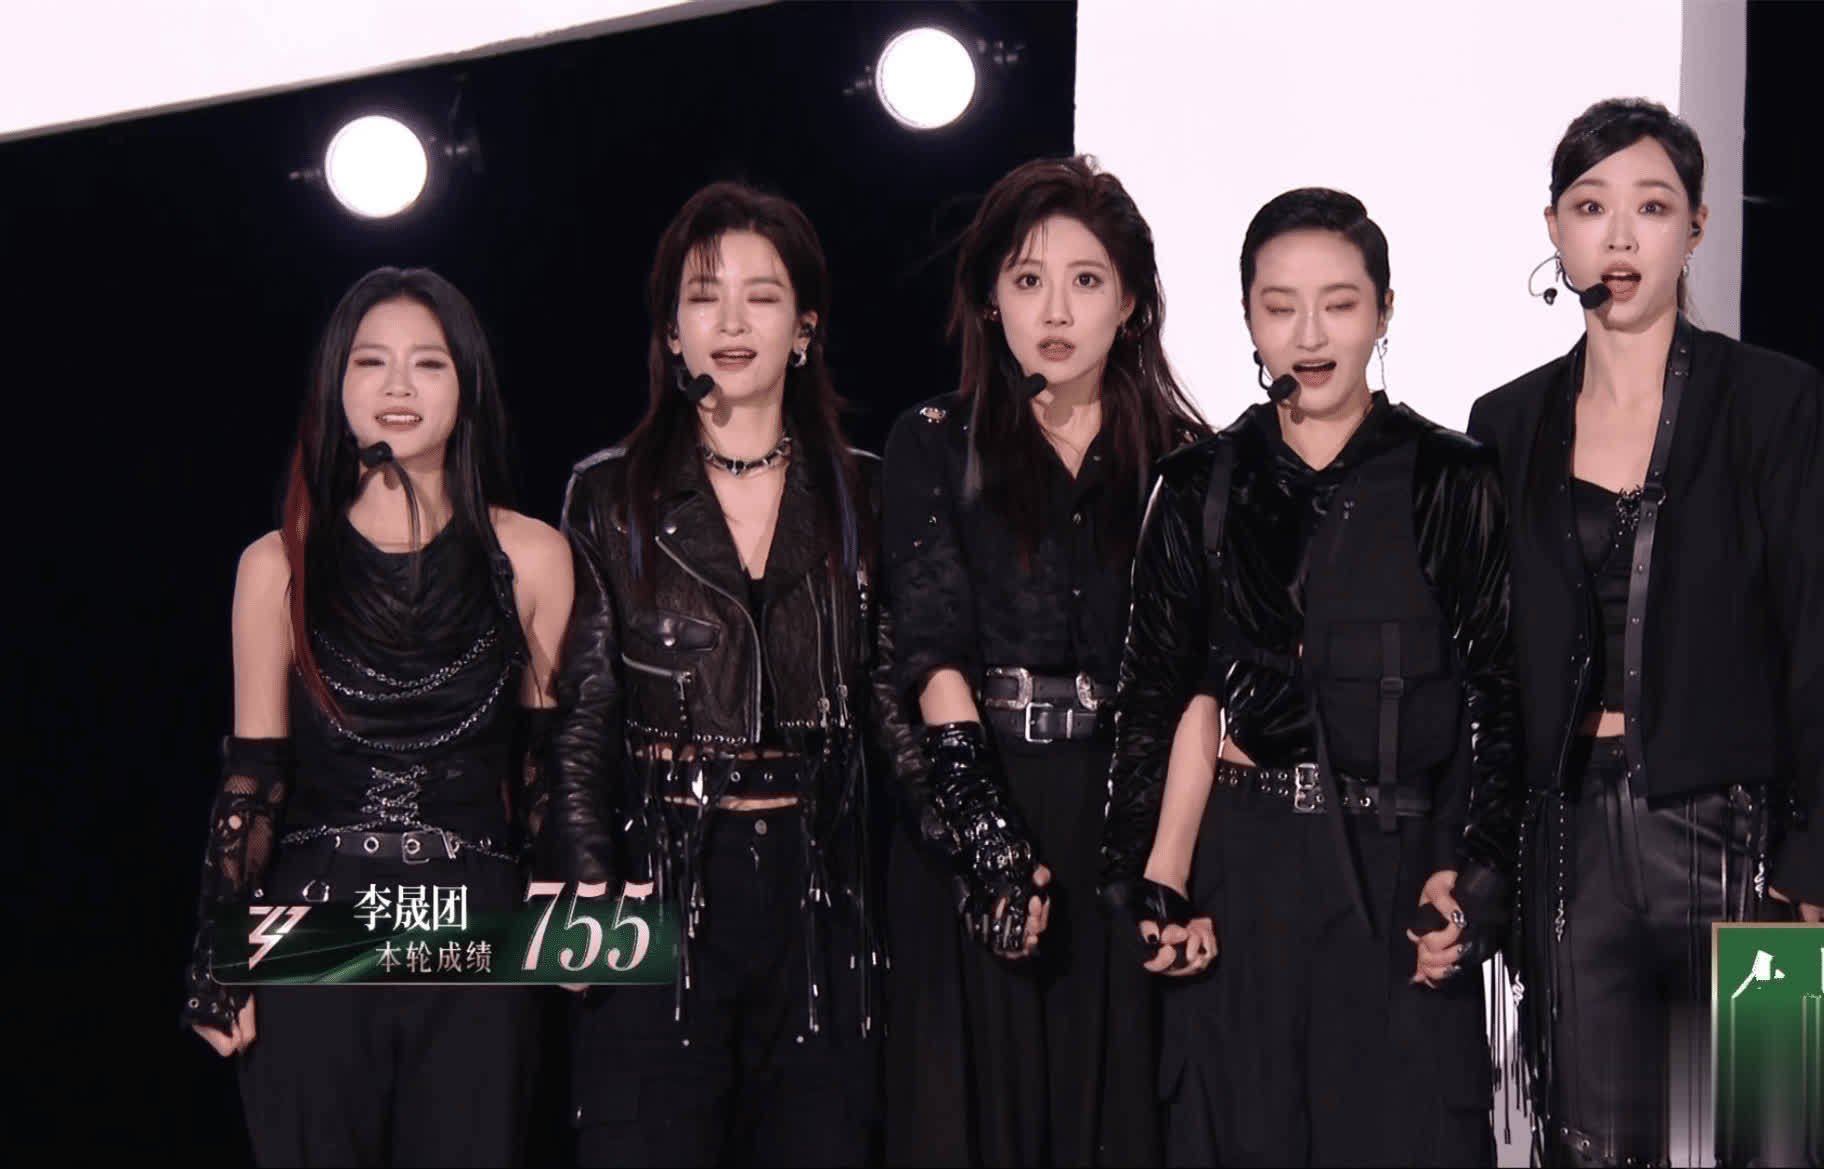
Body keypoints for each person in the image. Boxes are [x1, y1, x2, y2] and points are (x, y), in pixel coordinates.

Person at [1466, 97, 1824, 1167]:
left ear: (1695, 226)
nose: (1618, 236)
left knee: (1791, 1137)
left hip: (1746, 834)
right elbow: (1488, 665)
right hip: (1566, 844)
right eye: (1589, 207)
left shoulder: (1774, 399)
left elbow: (1823, 640)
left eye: (1650, 208)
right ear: (1553, 229)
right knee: (1588, 1148)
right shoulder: (1504, 422)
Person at [1101, 188, 1520, 1167]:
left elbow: (1496, 695)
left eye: (1339, 302)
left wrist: (1475, 875)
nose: (1310, 332)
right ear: (1247, 315)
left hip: (1400, 871)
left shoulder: (1450, 476)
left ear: (1383, 309)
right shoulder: (1197, 484)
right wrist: (1146, 889)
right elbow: (1153, 699)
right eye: (1279, 304)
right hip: (1240, 877)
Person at [181, 266, 572, 1165]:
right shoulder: (276, 564)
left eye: (428, 362)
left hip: (469, 923)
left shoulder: (534, 555)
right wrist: (216, 948)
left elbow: (547, 770)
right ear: (336, 383)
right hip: (314, 923)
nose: (399, 385)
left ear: (466, 385)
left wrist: (573, 924)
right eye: (371, 361)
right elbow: (254, 775)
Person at [547, 181, 883, 1167]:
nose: (732, 321)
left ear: (805, 327)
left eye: (761, 295)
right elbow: (583, 711)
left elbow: (895, 699)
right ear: (671, 329)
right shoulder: (609, 492)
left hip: (822, 887)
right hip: (657, 877)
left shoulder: (866, 489)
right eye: (704, 296)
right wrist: (584, 878)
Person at [877, 155, 1205, 1167]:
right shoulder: (934, 440)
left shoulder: (1185, 458)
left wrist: (1161, 867)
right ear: (990, 299)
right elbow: (929, 648)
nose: (1054, 310)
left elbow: (1196, 673)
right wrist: (989, 845)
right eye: (1027, 280)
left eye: (1086, 279)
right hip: (979, 789)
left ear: (1130, 302)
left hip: (1130, 803)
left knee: (1120, 1117)